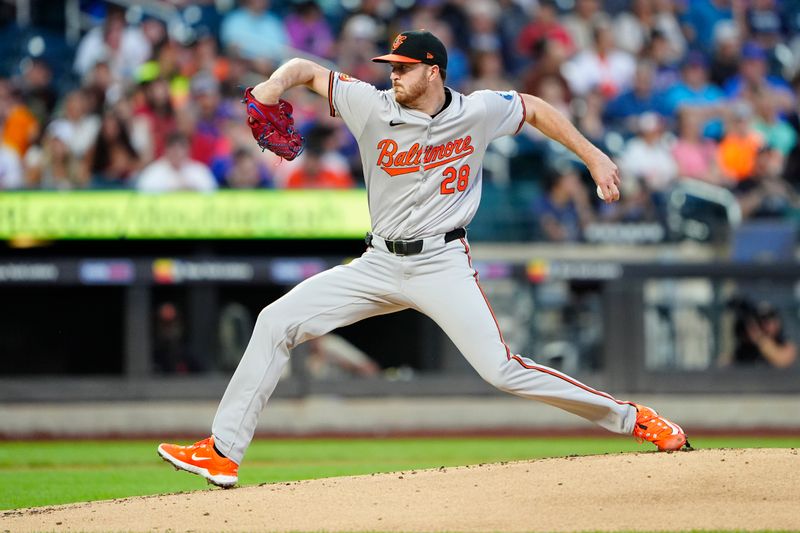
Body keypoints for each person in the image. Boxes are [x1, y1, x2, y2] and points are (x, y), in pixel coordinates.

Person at [157, 30, 690, 488]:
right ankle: (223, 452)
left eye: (405, 68)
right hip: (378, 263)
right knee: (275, 320)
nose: (393, 75)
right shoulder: (371, 106)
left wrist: (595, 157)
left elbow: (536, 108)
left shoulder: (477, 111)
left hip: (442, 263)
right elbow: (303, 69)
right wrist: (271, 88)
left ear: (433, 71)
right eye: (391, 66)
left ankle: (631, 418)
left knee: (502, 371)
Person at [721, 299, 797, 368]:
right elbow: (725, 364)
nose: (763, 325)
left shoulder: (786, 345)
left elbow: (781, 360)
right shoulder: (746, 349)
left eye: (768, 320)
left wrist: (758, 337)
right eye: (760, 321)